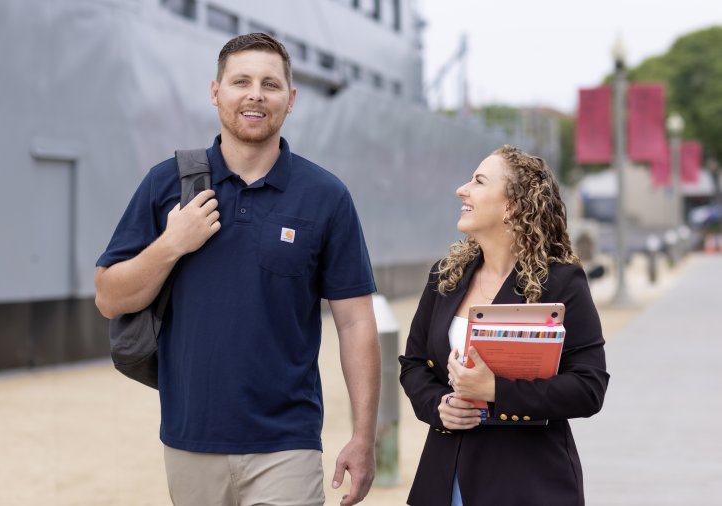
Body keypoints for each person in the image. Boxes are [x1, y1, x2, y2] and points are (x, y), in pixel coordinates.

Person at [94, 33, 380, 506]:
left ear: (290, 100)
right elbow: (109, 297)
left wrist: (363, 435)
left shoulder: (326, 196)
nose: (255, 94)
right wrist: (172, 243)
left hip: (287, 441)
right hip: (189, 439)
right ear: (215, 92)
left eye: (270, 84)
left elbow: (355, 321)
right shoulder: (166, 184)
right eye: (240, 81)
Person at [398, 145, 609, 506]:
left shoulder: (561, 283)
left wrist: (496, 390)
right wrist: (439, 405)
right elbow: (414, 365)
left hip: (526, 481)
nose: (462, 189)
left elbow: (589, 387)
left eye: (478, 182)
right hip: (443, 477)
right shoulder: (444, 276)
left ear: (511, 205)